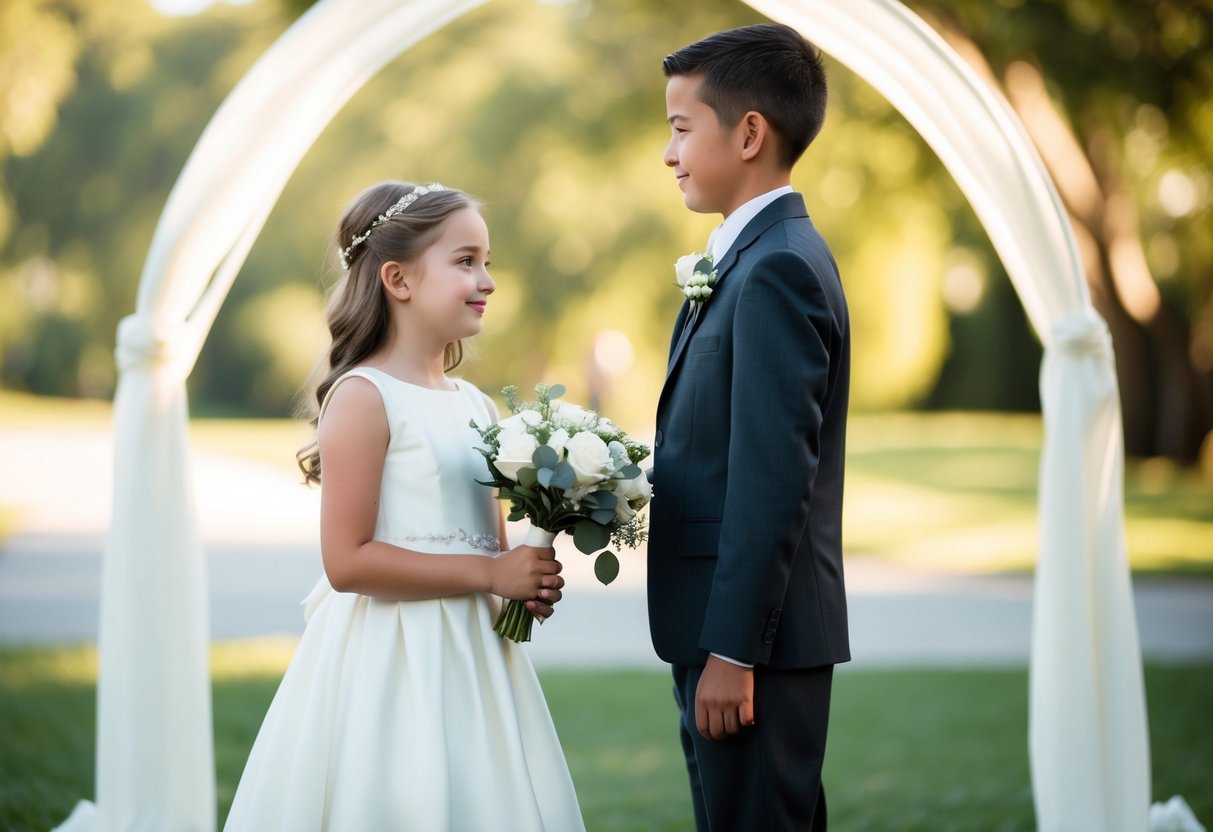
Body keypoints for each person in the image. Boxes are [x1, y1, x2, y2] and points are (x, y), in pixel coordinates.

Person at [224, 181, 584, 831]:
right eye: (465, 260)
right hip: (393, 660)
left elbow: (493, 553)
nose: (487, 280)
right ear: (398, 278)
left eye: (487, 261)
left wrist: (521, 583)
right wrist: (489, 575)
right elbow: (347, 562)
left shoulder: (477, 407)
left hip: (476, 660)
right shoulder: (365, 397)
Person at [647, 23, 851, 831]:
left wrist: (733, 651)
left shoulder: (777, 268)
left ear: (750, 133)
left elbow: (773, 476)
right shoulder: (752, 257)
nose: (667, 152)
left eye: (680, 127)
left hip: (751, 646)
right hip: (729, 632)